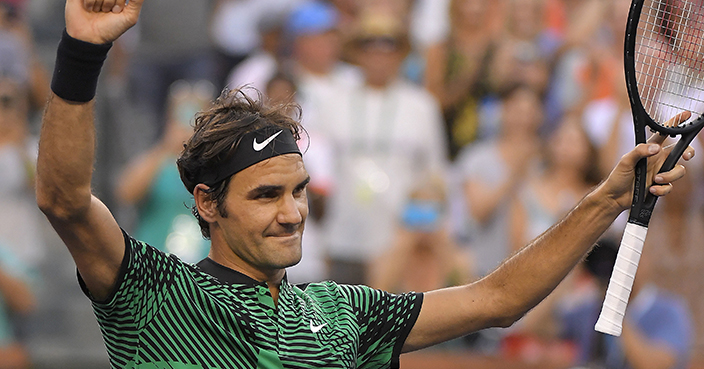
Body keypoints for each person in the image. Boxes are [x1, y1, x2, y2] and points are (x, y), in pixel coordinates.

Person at [36, 1, 695, 368]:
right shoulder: (157, 296)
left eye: (297, 190)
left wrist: (606, 197)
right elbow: (64, 199)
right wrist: (82, 51)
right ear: (208, 203)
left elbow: (497, 298)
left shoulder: (348, 312)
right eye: (266, 195)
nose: (293, 212)